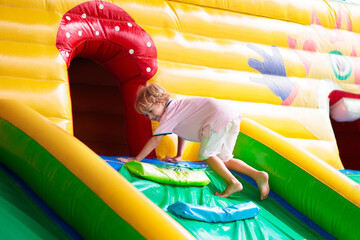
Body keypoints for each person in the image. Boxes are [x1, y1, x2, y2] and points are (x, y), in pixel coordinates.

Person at [117, 83, 270, 200]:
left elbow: (156, 139)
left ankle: (233, 183)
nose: (150, 117)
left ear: (162, 100)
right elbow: (181, 132)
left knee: (206, 154)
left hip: (217, 118)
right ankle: (258, 175)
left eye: (150, 111)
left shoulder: (169, 112)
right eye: (146, 115)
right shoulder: (177, 109)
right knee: (225, 159)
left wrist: (135, 160)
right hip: (231, 118)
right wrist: (179, 156)